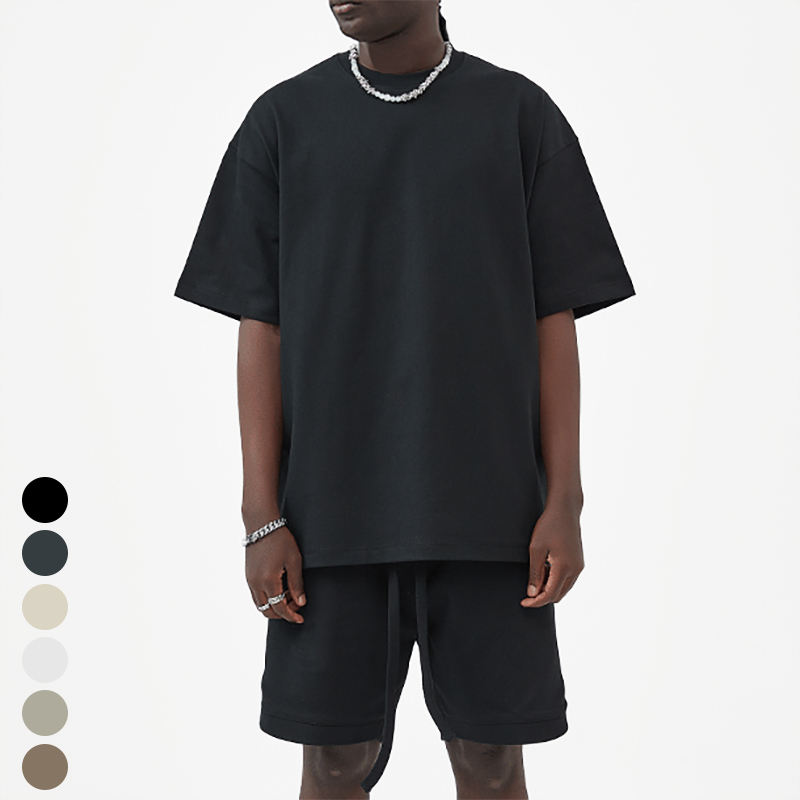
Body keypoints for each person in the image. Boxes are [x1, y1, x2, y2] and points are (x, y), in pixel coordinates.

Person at [174, 1, 636, 797]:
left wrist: (565, 500)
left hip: (492, 517)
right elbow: (261, 327)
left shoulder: (518, 116)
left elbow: (552, 323)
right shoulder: (282, 122)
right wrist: (262, 515)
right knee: (333, 760)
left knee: (492, 761)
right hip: (327, 521)